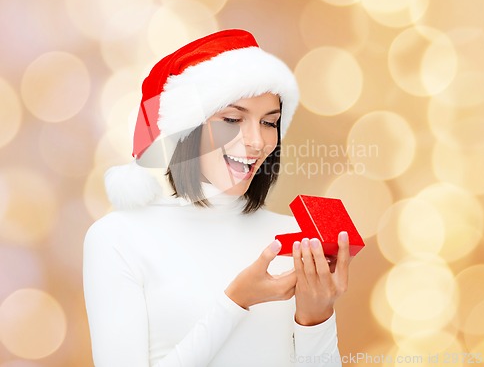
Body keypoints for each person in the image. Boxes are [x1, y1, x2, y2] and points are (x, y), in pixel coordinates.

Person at [83, 29, 351, 367]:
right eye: (232, 119)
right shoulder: (118, 238)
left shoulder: (296, 238)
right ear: (186, 127)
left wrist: (317, 317)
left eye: (270, 123)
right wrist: (235, 303)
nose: (256, 141)